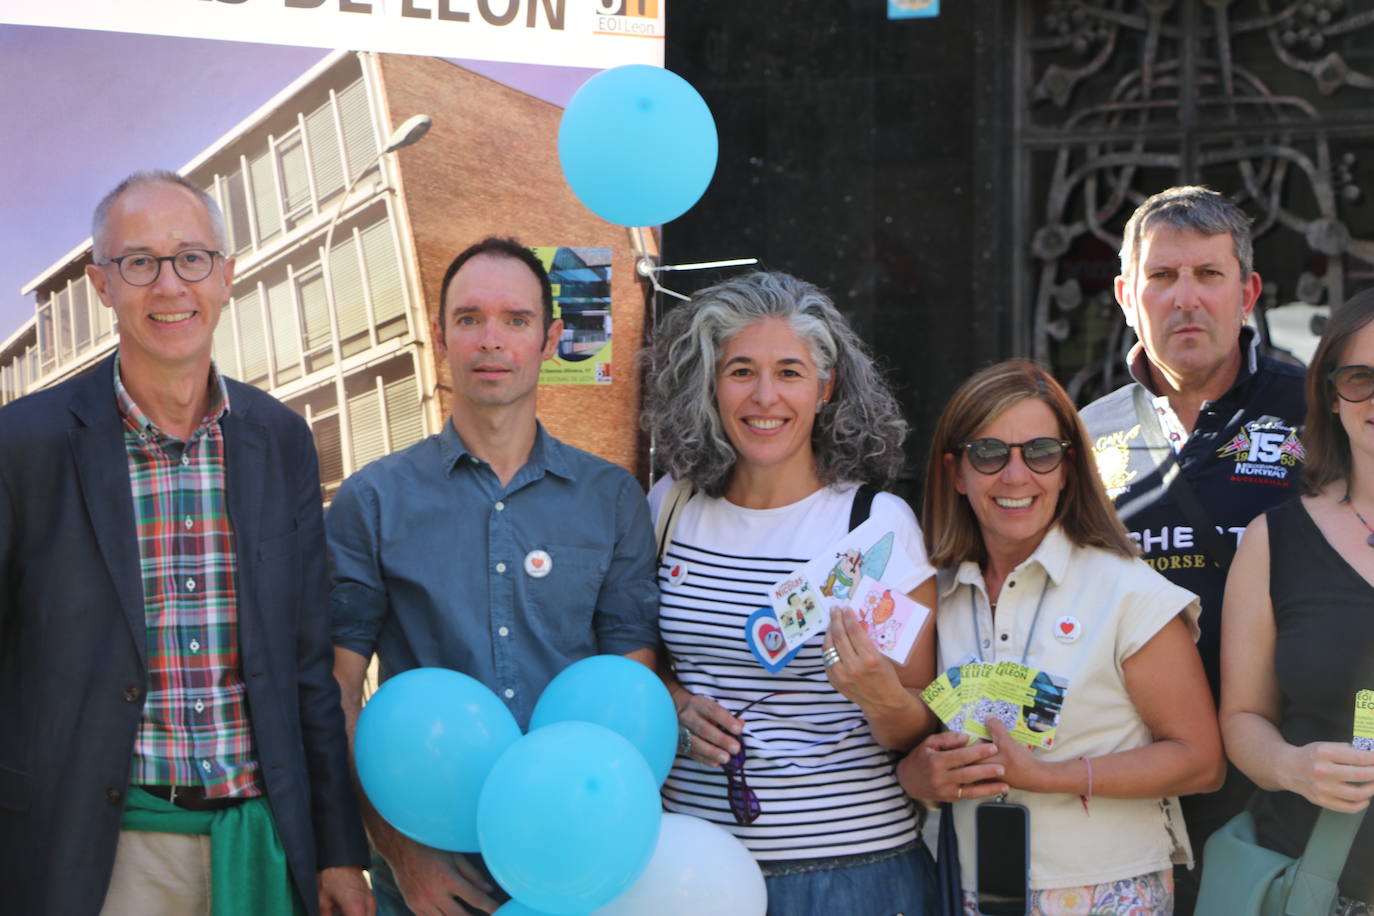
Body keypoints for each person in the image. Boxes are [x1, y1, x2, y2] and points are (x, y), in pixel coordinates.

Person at [0, 171, 371, 915]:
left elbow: (307, 663)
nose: (169, 285)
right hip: (100, 853)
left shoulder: (280, 439)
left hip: (259, 839)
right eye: (138, 262)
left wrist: (337, 850)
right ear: (103, 285)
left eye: (191, 258)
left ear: (227, 275)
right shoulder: (24, 444)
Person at [328, 237, 660, 916]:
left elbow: (631, 691)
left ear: (552, 339)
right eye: (469, 317)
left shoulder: (610, 498)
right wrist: (399, 852)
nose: (491, 340)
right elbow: (335, 694)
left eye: (516, 320)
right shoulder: (373, 500)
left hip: (576, 859)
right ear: (440, 333)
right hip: (430, 877)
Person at [642, 271, 940, 915]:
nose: (765, 396)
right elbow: (633, 655)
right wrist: (670, 702)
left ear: (825, 387)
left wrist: (879, 694)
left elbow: (921, 725)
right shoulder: (668, 508)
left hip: (853, 876)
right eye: (741, 370)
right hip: (686, 873)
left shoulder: (875, 526)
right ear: (711, 384)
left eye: (790, 371)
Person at [901, 359, 1224, 915]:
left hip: (1108, 893)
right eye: (989, 453)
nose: (1015, 475)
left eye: (1041, 452)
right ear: (956, 472)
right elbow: (911, 738)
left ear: (1069, 467)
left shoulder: (1128, 592)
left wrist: (1049, 777)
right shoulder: (931, 596)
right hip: (963, 892)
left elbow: (1201, 762)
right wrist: (916, 774)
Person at [1080, 186, 1306, 910]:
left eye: (1208, 275)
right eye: (1161, 276)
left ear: (1248, 292)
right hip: (1133, 787)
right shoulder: (1082, 436)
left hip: (1283, 783)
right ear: (1125, 294)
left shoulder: (1317, 414)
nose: (1185, 299)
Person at [1219, 289, 1374, 912]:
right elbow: (1242, 718)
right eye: (1362, 378)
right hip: (1319, 887)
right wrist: (1291, 767)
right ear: (1333, 398)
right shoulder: (1273, 540)